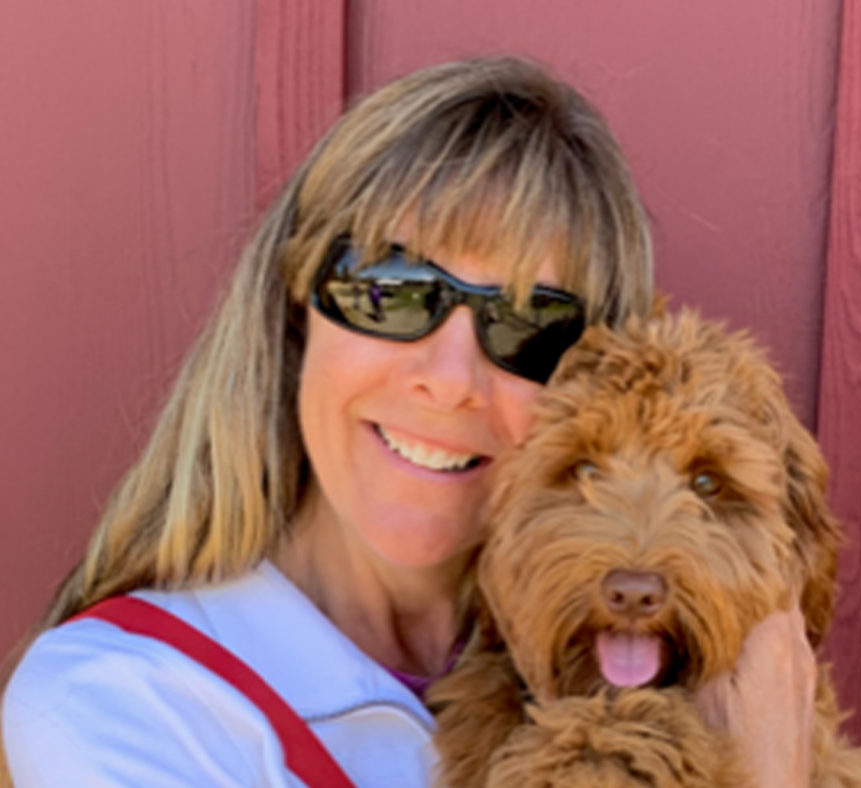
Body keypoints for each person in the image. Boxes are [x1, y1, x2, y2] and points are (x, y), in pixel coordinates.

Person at [1, 57, 815, 788]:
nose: (450, 380)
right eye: (390, 291)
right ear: (295, 314)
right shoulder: (119, 700)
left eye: (529, 324)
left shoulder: (635, 655)